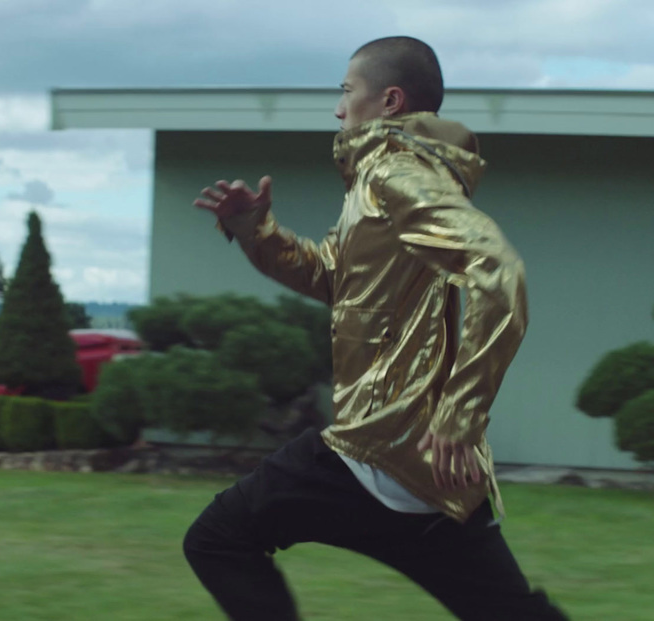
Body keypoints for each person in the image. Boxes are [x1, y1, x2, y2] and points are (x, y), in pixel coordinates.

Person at [183, 36, 570, 620]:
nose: (338, 108)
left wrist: (461, 414)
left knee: (216, 540)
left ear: (389, 100)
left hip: (376, 449)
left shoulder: (397, 174)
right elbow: (331, 276)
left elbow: (499, 271)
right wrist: (254, 231)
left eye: (346, 91)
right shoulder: (381, 179)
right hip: (427, 477)